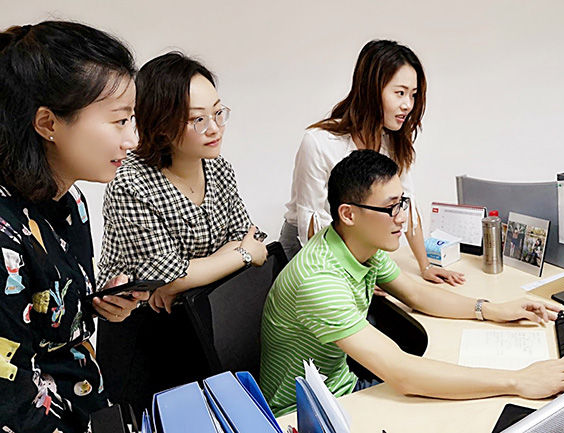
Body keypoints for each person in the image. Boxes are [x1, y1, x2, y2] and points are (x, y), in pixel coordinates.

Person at [260, 150, 564, 416]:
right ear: (349, 214)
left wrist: (491, 309)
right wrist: (519, 380)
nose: (402, 218)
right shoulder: (318, 279)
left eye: (402, 203)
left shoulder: (357, 243)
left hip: (340, 385)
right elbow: (403, 373)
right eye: (390, 208)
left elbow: (417, 293)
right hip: (311, 413)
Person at [96, 52, 267, 418]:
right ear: (160, 123)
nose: (214, 128)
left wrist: (185, 279)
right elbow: (169, 274)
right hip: (143, 332)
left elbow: (249, 238)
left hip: (200, 317)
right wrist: (238, 255)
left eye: (218, 113)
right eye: (198, 119)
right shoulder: (131, 182)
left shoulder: (218, 167)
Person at [0, 21, 147, 432]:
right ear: (48, 124)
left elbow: (47, 315)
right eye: (119, 121)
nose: (132, 140)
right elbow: (11, 403)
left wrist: (97, 305)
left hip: (88, 404)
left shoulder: (70, 202)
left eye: (131, 119)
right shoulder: (5, 234)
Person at [280, 39, 465, 287]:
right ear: (371, 89)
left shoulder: (393, 142)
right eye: (400, 93)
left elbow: (407, 206)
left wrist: (426, 266)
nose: (408, 105)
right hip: (307, 249)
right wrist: (355, 273)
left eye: (413, 95)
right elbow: (313, 225)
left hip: (357, 248)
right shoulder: (319, 142)